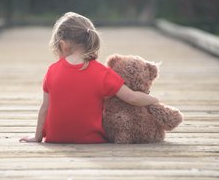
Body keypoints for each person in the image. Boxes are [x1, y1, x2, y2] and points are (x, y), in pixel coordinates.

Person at [19, 12, 159, 144]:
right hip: (91, 140)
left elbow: (45, 108)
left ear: (62, 45)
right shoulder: (102, 73)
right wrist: (155, 100)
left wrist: (37, 137)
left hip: (55, 138)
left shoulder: (52, 71)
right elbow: (132, 98)